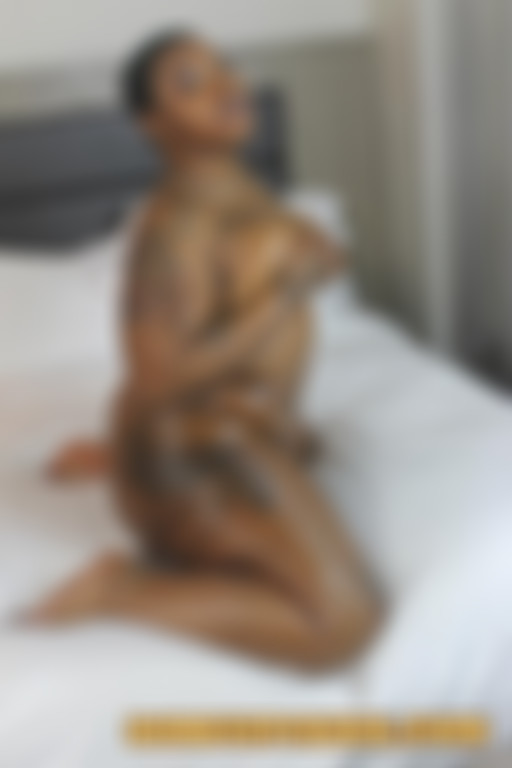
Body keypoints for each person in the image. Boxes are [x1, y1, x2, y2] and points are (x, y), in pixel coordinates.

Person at [33, 31, 382, 671]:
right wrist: (282, 295)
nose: (225, 86)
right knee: (343, 623)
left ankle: (114, 457)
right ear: (152, 124)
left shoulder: (232, 180)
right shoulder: (175, 228)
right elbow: (160, 378)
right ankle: (119, 589)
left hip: (248, 427)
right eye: (191, 83)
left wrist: (316, 256)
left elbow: (276, 257)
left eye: (224, 68)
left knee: (309, 455)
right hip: (191, 457)